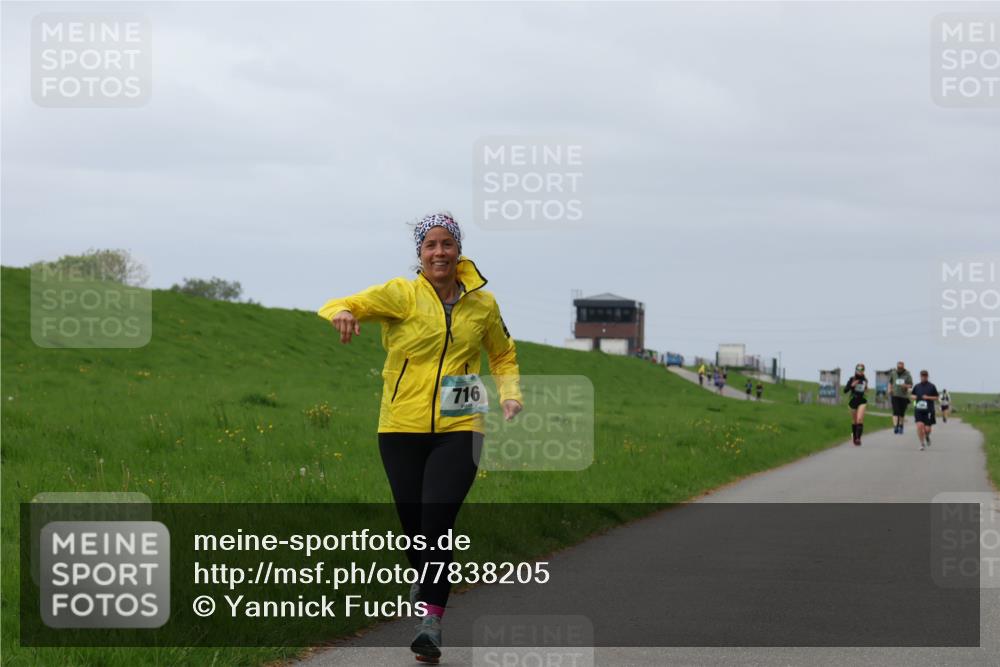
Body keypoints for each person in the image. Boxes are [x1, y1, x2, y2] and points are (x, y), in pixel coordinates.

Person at [317, 212, 523, 663]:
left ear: (458, 250)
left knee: (436, 522)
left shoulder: (482, 305)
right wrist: (345, 312)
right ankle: (429, 579)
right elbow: (340, 302)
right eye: (430, 245)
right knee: (414, 529)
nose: (439, 253)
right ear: (420, 253)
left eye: (447, 244)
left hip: (460, 425)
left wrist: (509, 395)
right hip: (400, 427)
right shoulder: (401, 295)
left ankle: (430, 621)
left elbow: (503, 353)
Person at [911, 370, 939, 451]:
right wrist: (914, 397)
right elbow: (912, 395)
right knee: (919, 426)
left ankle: (927, 436)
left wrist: (928, 397)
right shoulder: (917, 386)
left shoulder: (932, 386)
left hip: (929, 410)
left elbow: (937, 397)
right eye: (922, 376)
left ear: (927, 376)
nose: (924, 377)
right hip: (918, 409)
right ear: (920, 376)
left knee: (927, 429)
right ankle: (922, 444)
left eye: (925, 376)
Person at [843, 363, 869, 446]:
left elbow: (866, 390)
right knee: (854, 421)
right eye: (858, 369)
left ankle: (858, 438)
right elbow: (845, 390)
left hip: (862, 400)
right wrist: (852, 385)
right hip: (853, 400)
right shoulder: (852, 379)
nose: (860, 371)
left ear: (863, 371)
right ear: (856, 370)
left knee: (859, 419)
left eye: (861, 370)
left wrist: (866, 389)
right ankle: (854, 437)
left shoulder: (865, 380)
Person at [887, 361, 913, 434]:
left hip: (903, 396)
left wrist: (906, 386)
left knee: (901, 413)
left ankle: (901, 426)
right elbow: (890, 382)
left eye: (901, 367)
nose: (899, 369)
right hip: (895, 395)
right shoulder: (893, 373)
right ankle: (895, 427)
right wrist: (889, 389)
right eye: (898, 367)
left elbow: (911, 385)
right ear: (897, 367)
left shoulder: (907, 374)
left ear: (903, 367)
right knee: (896, 411)